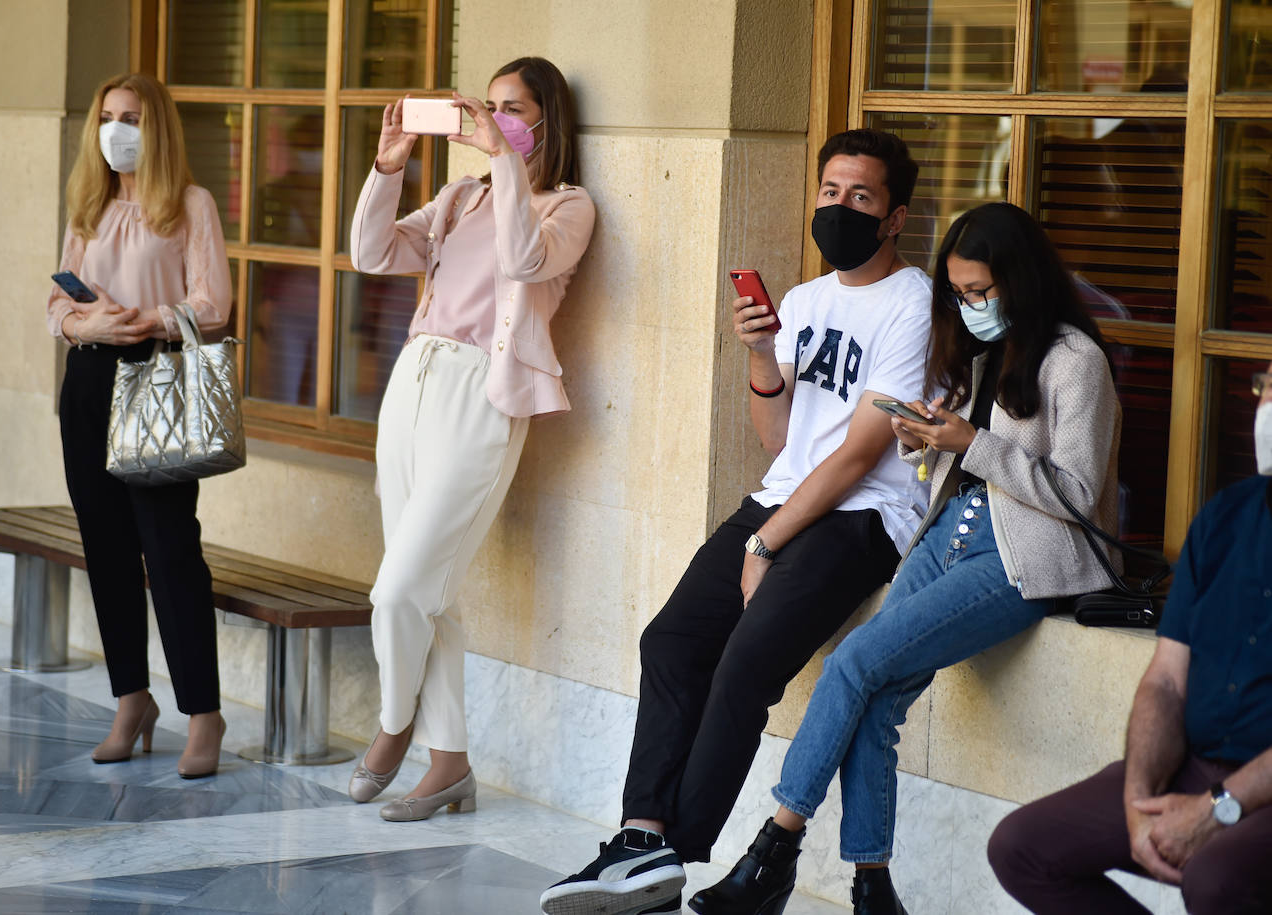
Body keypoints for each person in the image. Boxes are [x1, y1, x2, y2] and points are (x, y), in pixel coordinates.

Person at [688, 202, 1122, 915]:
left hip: (1021, 555)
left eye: (980, 291)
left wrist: (970, 444)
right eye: (960, 292)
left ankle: (772, 849)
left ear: (1021, 279)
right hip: (949, 531)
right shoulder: (983, 349)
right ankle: (873, 889)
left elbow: (1075, 493)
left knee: (852, 662)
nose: (970, 306)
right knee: (877, 698)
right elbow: (959, 463)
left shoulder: (1076, 361)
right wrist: (923, 443)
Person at [542, 128, 934, 915]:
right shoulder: (805, 300)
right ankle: (642, 836)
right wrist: (760, 355)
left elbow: (861, 455)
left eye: (861, 196)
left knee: (746, 665)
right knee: (670, 640)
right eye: (831, 191)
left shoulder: (913, 303)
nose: (840, 207)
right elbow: (778, 439)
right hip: (782, 496)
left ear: (894, 217)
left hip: (861, 518)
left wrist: (765, 540)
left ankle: (670, 852)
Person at [347, 57, 596, 822]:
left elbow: (522, 260)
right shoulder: (461, 197)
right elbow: (372, 253)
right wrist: (388, 168)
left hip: (481, 395)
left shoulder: (567, 206)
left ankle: (394, 725)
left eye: (511, 108)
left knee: (399, 590)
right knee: (431, 593)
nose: (493, 118)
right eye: (487, 106)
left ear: (547, 121)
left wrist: (504, 160)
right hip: (413, 382)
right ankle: (449, 763)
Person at [987, 362, 1272, 915]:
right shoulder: (1225, 518)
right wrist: (1138, 801)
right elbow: (1166, 680)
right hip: (1198, 765)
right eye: (1267, 386)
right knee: (1022, 848)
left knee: (1215, 881)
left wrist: (1220, 808)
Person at [47, 73, 232, 779]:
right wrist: (83, 324)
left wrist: (145, 320)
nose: (115, 130)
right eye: (106, 117)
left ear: (156, 127)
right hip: (89, 381)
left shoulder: (190, 204)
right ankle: (131, 698)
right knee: (106, 547)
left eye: (129, 117)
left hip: (155, 378)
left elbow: (213, 304)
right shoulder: (88, 205)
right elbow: (56, 302)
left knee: (170, 546)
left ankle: (203, 712)